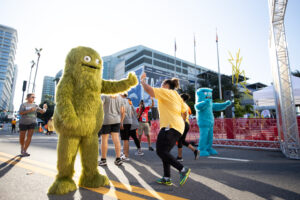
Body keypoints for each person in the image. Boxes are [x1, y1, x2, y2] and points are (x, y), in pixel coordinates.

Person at [140, 72, 191, 186]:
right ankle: (167, 177)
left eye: (163, 84)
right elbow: (185, 111)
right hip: (178, 127)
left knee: (161, 151)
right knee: (165, 152)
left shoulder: (166, 92)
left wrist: (142, 81)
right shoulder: (177, 96)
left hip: (170, 126)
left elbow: (149, 90)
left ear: (167, 86)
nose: (161, 86)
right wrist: (180, 122)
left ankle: (182, 169)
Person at [98, 95, 124, 166]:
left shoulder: (104, 95)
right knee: (116, 139)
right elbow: (122, 111)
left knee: (104, 139)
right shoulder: (119, 97)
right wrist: (121, 121)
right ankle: (118, 159)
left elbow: (99, 107)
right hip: (116, 120)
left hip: (106, 120)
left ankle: (103, 160)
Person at [177, 93, 199, 161]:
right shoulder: (186, 105)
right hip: (187, 123)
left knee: (180, 140)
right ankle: (195, 151)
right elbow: (189, 112)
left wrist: (182, 123)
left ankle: (180, 157)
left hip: (183, 123)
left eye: (180, 97)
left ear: (182, 98)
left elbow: (185, 113)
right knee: (182, 141)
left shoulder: (182, 104)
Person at [120, 93, 132, 161]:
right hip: (129, 121)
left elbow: (123, 112)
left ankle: (125, 155)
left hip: (124, 121)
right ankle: (125, 154)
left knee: (125, 139)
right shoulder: (128, 101)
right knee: (126, 139)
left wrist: (121, 122)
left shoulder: (122, 101)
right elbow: (132, 112)